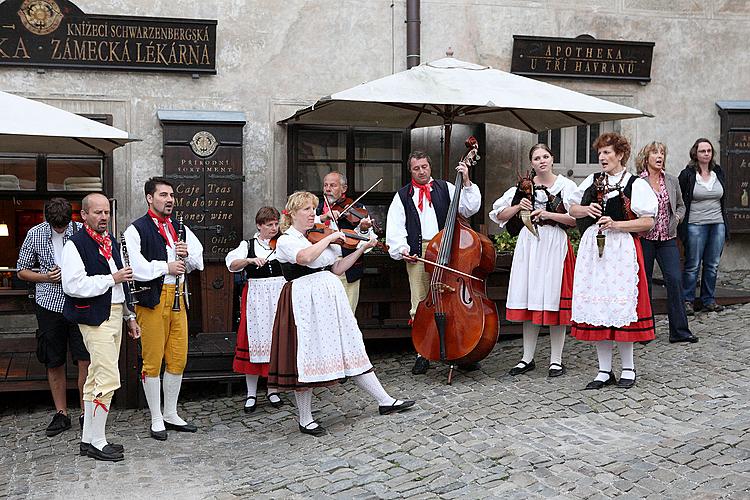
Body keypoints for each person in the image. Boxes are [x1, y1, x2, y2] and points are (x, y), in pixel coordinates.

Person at [268, 191, 414, 436]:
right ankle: (305, 419)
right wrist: (331, 237)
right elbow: (304, 258)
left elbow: (337, 267)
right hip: (303, 300)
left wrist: (361, 248)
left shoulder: (317, 236)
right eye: (306, 209)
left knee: (350, 344)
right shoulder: (287, 240)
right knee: (306, 355)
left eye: (313, 209)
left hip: (329, 296)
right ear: (292, 213)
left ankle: (384, 400)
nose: (311, 214)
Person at [566, 132, 658, 390]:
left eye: (607, 152)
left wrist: (617, 224)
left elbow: (648, 221)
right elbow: (572, 208)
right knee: (599, 307)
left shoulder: (635, 184)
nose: (602, 157)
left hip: (622, 251)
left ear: (620, 155)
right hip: (594, 251)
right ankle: (604, 370)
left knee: (621, 306)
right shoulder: (593, 181)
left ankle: (628, 368)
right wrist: (586, 210)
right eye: (600, 153)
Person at [385, 151, 482, 375]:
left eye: (424, 167)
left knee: (451, 302)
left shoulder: (446, 187)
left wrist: (466, 180)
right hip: (418, 252)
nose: (421, 171)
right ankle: (423, 352)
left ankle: (460, 350)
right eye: (416, 168)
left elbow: (470, 207)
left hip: (446, 249)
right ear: (410, 170)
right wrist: (402, 250)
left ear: (430, 167)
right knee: (420, 302)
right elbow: (395, 228)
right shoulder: (402, 196)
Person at [61, 193, 140, 461]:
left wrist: (129, 316)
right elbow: (73, 286)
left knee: (95, 376)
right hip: (95, 316)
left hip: (116, 313)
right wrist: (111, 278)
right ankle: (98, 441)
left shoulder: (110, 242)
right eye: (98, 212)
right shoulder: (75, 244)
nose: (104, 217)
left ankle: (87, 440)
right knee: (108, 377)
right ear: (83, 215)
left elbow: (122, 285)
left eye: (107, 212)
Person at [123, 177, 204, 440]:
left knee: (178, 357)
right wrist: (165, 266)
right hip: (153, 298)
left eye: (171, 195)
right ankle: (156, 417)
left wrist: (186, 253)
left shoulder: (179, 227)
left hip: (179, 295)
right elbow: (135, 267)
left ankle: (170, 413)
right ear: (149, 197)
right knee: (153, 359)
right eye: (163, 195)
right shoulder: (135, 229)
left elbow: (198, 261)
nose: (169, 200)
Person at [489, 144, 577, 377]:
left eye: (545, 156)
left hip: (554, 244)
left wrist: (548, 214)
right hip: (529, 244)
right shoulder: (521, 188)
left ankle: (556, 360)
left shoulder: (566, 186)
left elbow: (574, 219)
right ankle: (527, 358)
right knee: (530, 298)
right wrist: (519, 205)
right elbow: (499, 215)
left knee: (553, 299)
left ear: (552, 158)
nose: (542, 161)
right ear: (531, 163)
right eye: (537, 158)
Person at [16, 198, 90, 437]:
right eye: (55, 227)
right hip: (48, 303)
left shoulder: (81, 231)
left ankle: (85, 412)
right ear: (47, 219)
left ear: (71, 218)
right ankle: (61, 413)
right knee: (53, 359)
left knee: (84, 358)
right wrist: (46, 277)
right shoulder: (35, 233)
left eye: (63, 226)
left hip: (79, 301)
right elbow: (22, 270)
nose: (60, 230)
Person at [636, 142, 698, 344]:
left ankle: (679, 331)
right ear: (646, 157)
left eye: (662, 152)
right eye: (655, 152)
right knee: (644, 283)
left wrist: (677, 218)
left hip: (667, 239)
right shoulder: (638, 182)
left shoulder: (671, 180)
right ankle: (645, 330)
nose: (659, 155)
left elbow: (681, 205)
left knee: (675, 280)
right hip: (645, 239)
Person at [226, 207, 285, 412]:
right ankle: (251, 394)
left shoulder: (283, 243)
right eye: (269, 225)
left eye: (276, 224)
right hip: (257, 297)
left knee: (275, 342)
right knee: (253, 342)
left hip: (279, 293)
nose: (274, 228)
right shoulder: (247, 245)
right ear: (259, 225)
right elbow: (232, 264)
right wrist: (250, 260)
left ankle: (273, 390)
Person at [678, 138, 728, 315]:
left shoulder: (718, 172)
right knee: (693, 264)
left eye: (709, 151)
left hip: (717, 223)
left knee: (712, 264)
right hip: (695, 224)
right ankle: (687, 300)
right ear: (695, 154)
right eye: (702, 151)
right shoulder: (688, 174)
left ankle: (708, 299)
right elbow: (679, 198)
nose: (706, 154)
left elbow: (723, 197)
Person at [316, 171, 374, 313]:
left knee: (347, 314)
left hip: (348, 271)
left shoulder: (356, 208)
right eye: (325, 185)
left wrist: (363, 229)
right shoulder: (316, 209)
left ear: (344, 188)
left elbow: (367, 244)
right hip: (321, 270)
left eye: (333, 185)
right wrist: (323, 217)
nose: (328, 189)